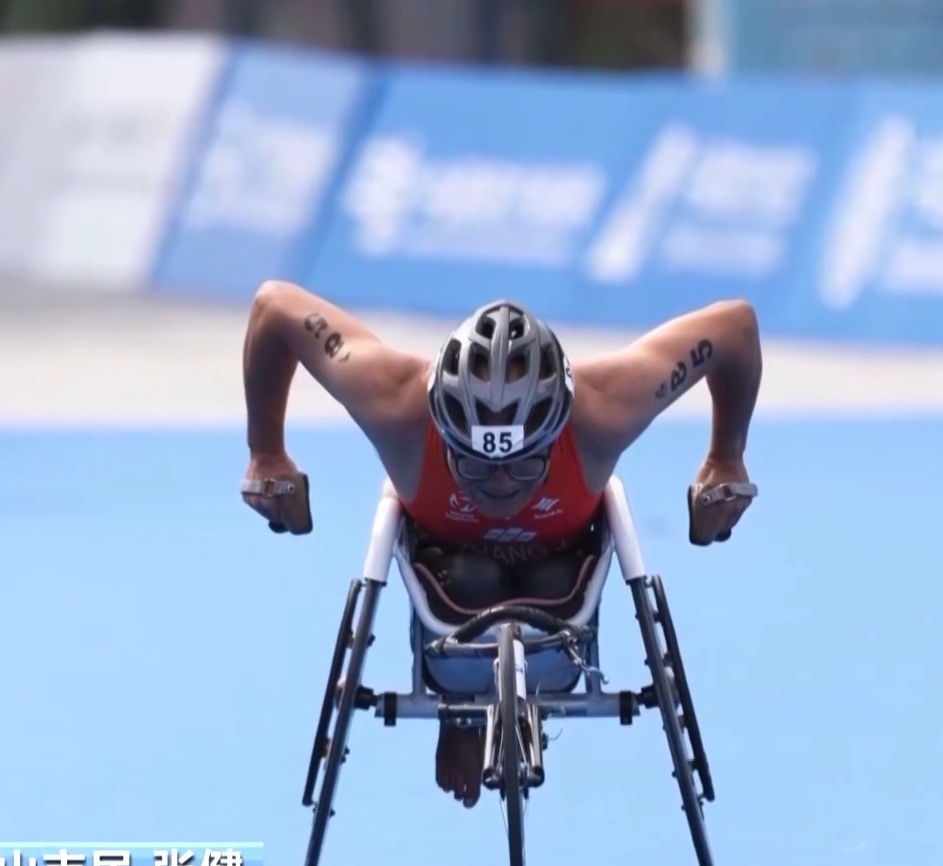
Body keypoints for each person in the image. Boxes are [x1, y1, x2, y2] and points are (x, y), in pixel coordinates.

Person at [240, 281, 761, 808]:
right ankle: (461, 709)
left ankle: (480, 699)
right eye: (474, 465)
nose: (501, 484)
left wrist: (726, 458)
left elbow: (734, 327)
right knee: (473, 577)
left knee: (549, 580)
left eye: (524, 464)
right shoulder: (396, 405)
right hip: (450, 586)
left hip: (561, 586)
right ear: (444, 433)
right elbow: (273, 307)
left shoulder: (603, 408)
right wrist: (265, 453)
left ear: (556, 432)